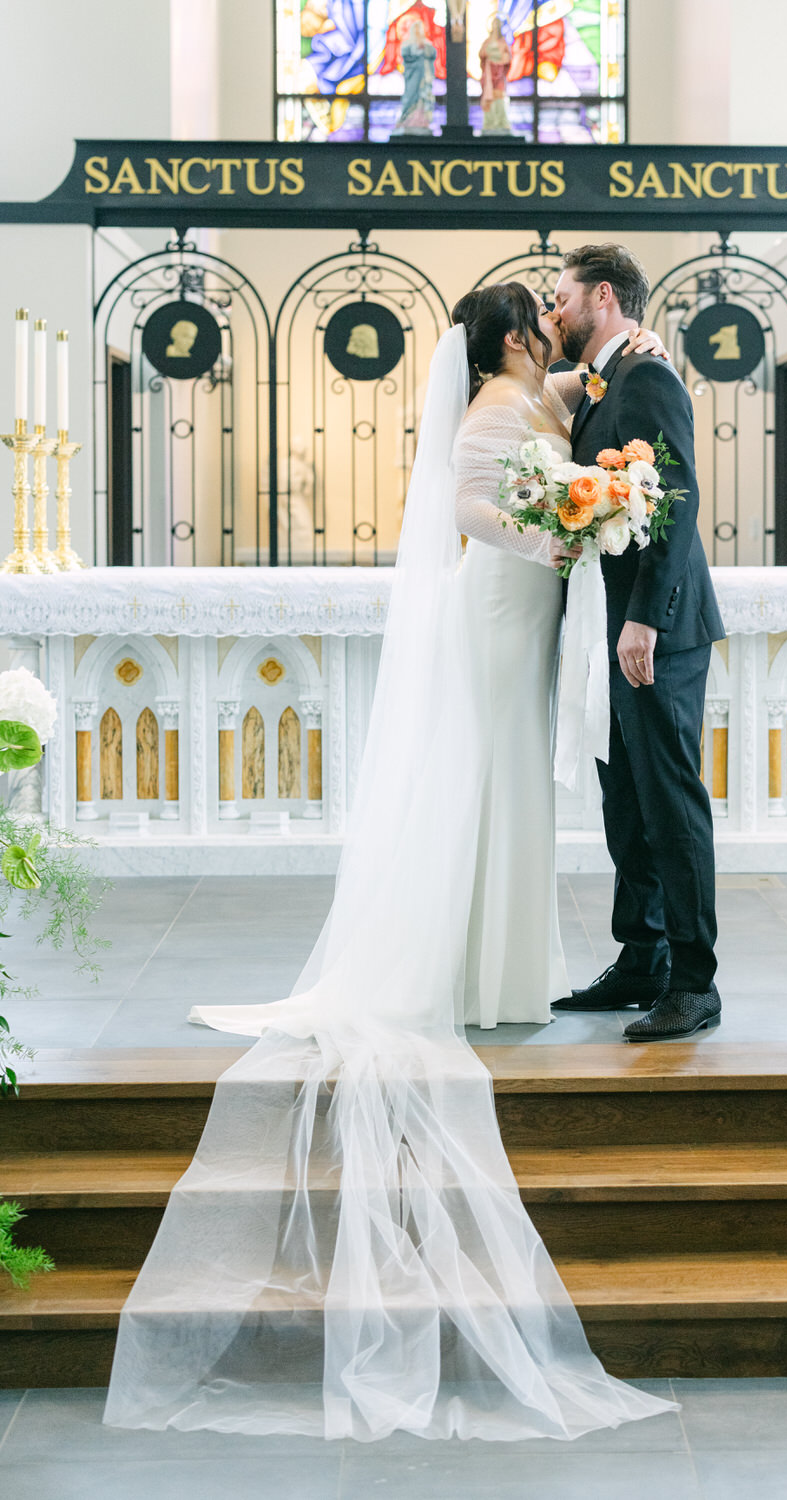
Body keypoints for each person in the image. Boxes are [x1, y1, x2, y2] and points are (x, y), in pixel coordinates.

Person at [103, 285, 677, 1443]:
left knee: (511, 788)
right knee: (483, 784)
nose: (552, 332)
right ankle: (465, 973)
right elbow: (473, 514)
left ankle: (498, 975)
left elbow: (590, 389)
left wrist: (625, 380)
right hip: (500, 608)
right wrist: (563, 524)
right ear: (516, 335)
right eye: (541, 320)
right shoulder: (483, 416)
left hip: (529, 610)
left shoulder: (534, 389)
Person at [551, 243, 726, 1041]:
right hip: (607, 621)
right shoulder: (601, 383)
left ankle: (693, 981)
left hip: (653, 627)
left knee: (668, 798)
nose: (555, 312)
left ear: (602, 298)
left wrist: (646, 617)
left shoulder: (646, 375)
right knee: (625, 799)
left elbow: (676, 495)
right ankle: (639, 959)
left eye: (562, 297)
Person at [392, 17, 437, 135]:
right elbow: (406, 56)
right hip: (413, 76)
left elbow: (432, 54)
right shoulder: (407, 44)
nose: (417, 32)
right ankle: (407, 119)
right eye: (415, 29)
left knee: (423, 98)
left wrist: (424, 48)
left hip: (424, 77)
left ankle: (422, 121)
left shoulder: (427, 43)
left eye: (419, 29)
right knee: (411, 96)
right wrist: (416, 49)